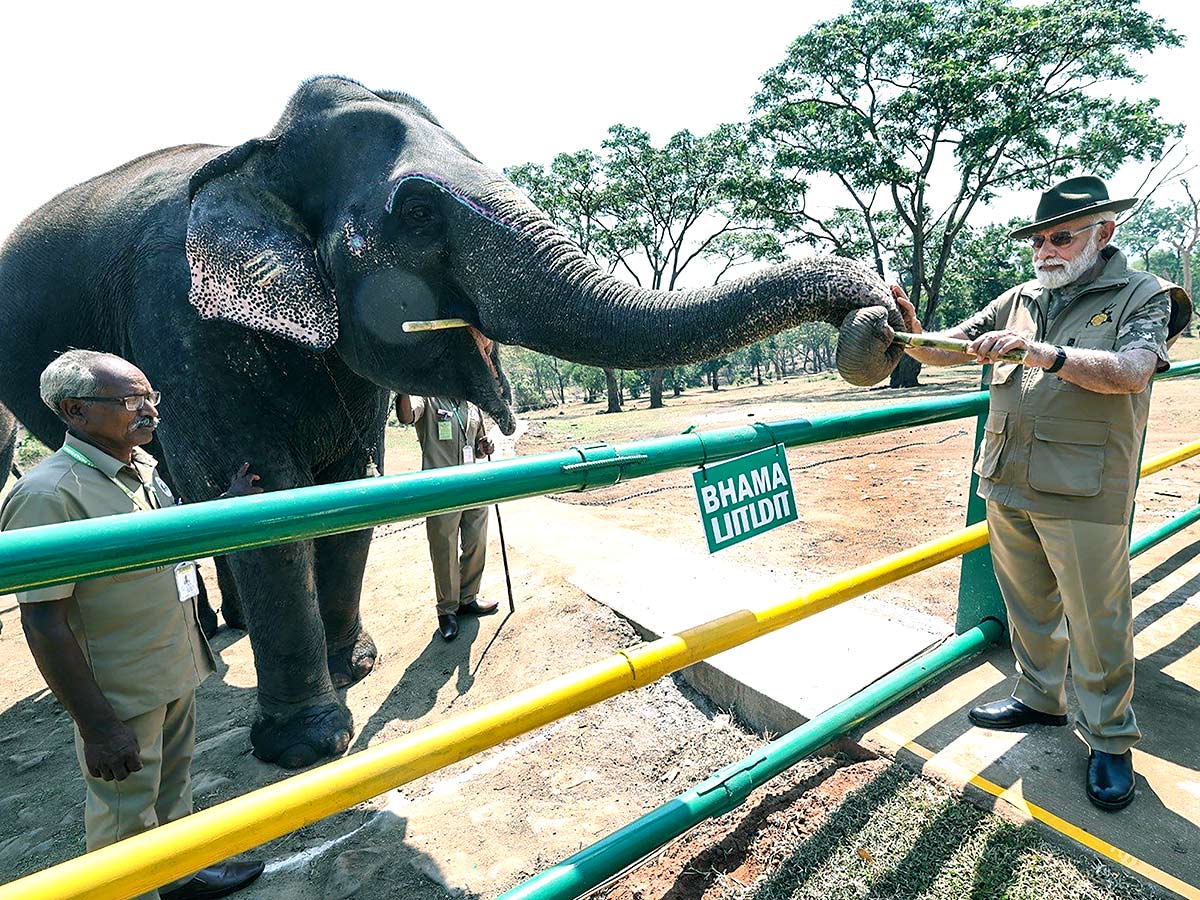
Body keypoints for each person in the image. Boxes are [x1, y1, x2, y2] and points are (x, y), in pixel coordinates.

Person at [891, 175, 1191, 812]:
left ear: (1103, 233)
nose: (1047, 250)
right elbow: (955, 348)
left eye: (1062, 237)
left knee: (1097, 619)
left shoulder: (1145, 295)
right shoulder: (1020, 296)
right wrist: (914, 334)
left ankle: (1110, 738)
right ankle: (1039, 697)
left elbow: (1133, 372)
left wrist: (1044, 355)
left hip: (1085, 489)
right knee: (1027, 602)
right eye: (1039, 240)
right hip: (1008, 476)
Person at [0, 350, 265, 900]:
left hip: (175, 663)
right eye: (130, 400)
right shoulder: (48, 495)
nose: (149, 410)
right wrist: (98, 725)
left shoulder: (140, 469)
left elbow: (168, 545)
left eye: (151, 397)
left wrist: (225, 507)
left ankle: (180, 876)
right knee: (124, 817)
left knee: (173, 787)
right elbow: (44, 623)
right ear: (74, 411)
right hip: (120, 691)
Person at [396, 393, 498, 641]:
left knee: (477, 542)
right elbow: (406, 415)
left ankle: (468, 598)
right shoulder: (427, 398)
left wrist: (484, 448)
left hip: (473, 485)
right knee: (445, 549)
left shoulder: (471, 403)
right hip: (441, 489)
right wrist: (401, 385)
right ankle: (447, 611)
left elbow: (476, 447)